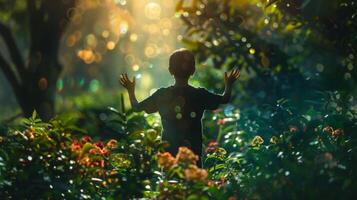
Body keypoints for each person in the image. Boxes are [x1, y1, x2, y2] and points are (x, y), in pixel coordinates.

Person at [119, 48, 240, 167]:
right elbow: (224, 99)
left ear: (170, 70)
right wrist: (228, 84)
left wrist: (130, 90)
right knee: (194, 182)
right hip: (193, 153)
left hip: (169, 154)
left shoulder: (162, 95)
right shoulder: (199, 95)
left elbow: (136, 108)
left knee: (170, 183)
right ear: (192, 70)